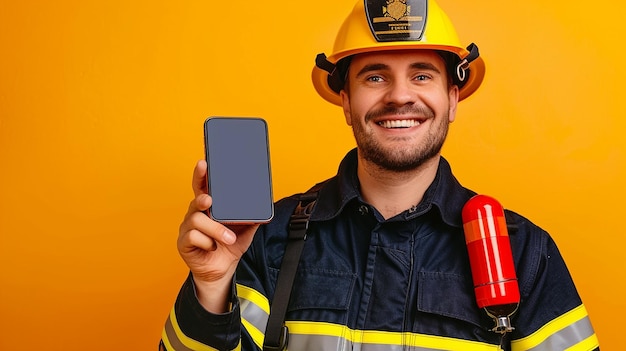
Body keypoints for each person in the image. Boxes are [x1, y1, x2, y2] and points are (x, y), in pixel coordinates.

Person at [160, 0, 600, 350]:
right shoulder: (262, 236)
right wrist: (212, 287)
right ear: (346, 102)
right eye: (375, 76)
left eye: (422, 74)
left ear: (453, 99)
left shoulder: (522, 250)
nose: (400, 96)